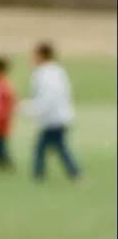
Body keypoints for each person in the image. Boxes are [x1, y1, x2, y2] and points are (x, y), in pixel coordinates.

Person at [29, 41, 81, 180]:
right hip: (61, 116)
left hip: (53, 118)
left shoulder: (42, 73)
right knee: (52, 146)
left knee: (51, 147)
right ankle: (40, 174)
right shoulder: (58, 71)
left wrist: (34, 110)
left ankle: (40, 175)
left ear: (41, 55)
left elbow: (47, 98)